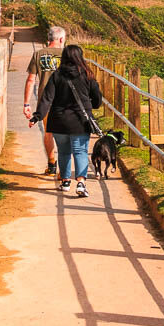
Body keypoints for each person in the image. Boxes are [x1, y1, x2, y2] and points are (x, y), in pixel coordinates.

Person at [29, 44, 102, 198]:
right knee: (80, 151)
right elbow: (97, 99)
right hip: (80, 121)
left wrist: (37, 116)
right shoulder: (87, 75)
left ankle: (66, 181)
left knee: (63, 152)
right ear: (80, 57)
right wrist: (93, 105)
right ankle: (81, 182)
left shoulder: (57, 75)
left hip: (59, 120)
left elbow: (47, 98)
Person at [23, 25, 66, 175]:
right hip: (65, 102)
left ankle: (52, 164)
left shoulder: (38, 54)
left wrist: (27, 104)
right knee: (64, 135)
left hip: (45, 102)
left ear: (49, 39)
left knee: (48, 132)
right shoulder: (68, 55)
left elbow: (30, 80)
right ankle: (64, 170)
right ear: (61, 39)